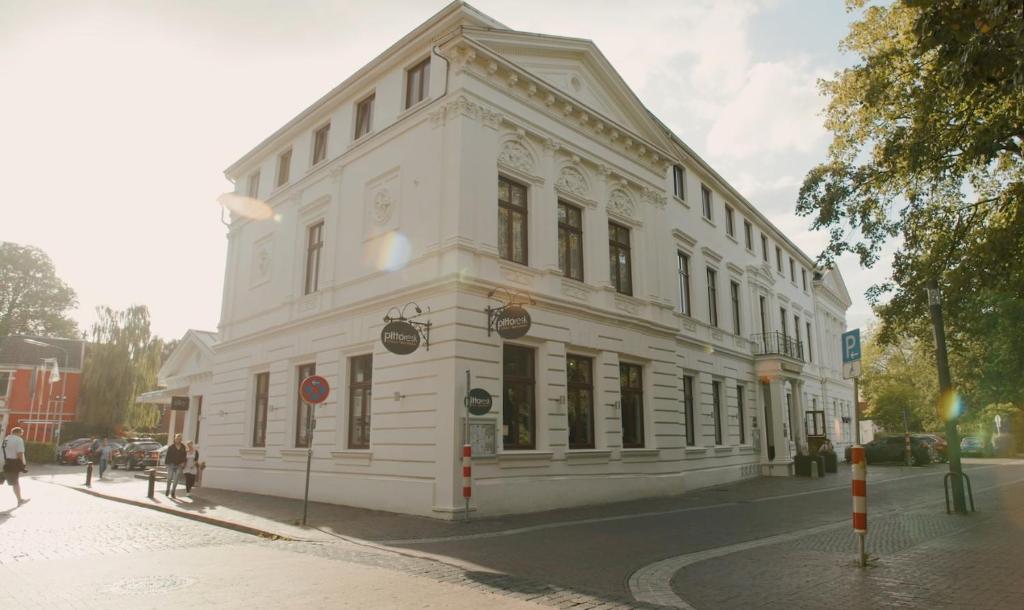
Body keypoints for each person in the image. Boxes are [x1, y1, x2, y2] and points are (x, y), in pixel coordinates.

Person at [3, 426, 29, 505]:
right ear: (18, 433)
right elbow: (20, 453)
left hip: (2, 462)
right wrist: (22, 463)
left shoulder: (5, 439)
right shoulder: (18, 440)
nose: (21, 435)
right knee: (15, 482)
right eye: (21, 434)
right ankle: (19, 500)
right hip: (12, 463)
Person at [164, 433, 187, 498]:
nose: (178, 440)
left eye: (179, 439)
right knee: (169, 478)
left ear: (181, 439)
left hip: (179, 465)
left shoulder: (183, 447)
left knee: (176, 479)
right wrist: (167, 464)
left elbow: (184, 456)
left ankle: (173, 492)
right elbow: (167, 456)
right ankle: (168, 489)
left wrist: (184, 462)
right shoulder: (171, 447)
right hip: (171, 464)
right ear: (175, 439)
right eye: (177, 439)